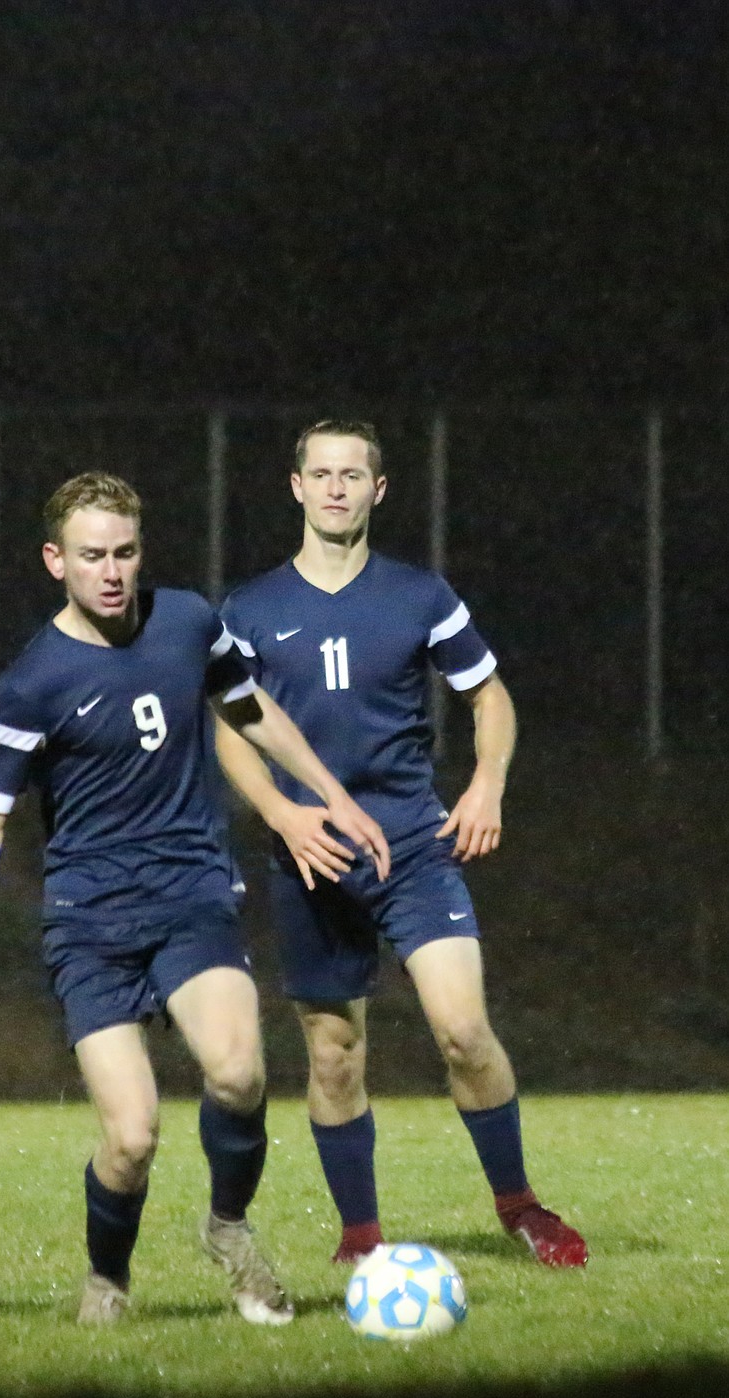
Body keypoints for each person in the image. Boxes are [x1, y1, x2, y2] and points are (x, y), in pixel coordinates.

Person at [0, 471, 389, 1325]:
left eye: (126, 552)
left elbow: (252, 711)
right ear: (54, 561)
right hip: (91, 925)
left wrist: (332, 791)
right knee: (132, 1136)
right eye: (92, 556)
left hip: (190, 897)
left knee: (240, 1071)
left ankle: (227, 1227)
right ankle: (109, 1275)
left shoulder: (186, 621)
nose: (112, 571)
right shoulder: (28, 686)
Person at [216, 420, 588, 1268]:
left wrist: (487, 781)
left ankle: (521, 1204)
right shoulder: (251, 608)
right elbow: (233, 725)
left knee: (462, 1029)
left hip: (413, 845)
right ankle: (361, 1237)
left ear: (379, 490)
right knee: (335, 1053)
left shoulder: (420, 595)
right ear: (296, 486)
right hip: (313, 854)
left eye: (355, 474)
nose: (338, 486)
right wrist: (280, 813)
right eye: (323, 473)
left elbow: (489, 696)